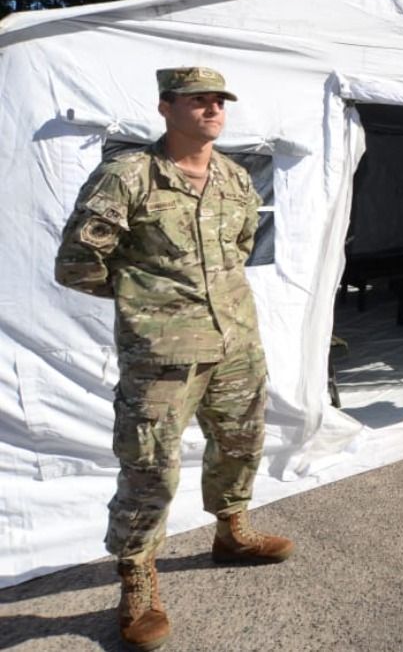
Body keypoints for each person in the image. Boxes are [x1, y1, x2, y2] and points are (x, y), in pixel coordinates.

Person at [55, 67, 293, 651]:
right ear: (166, 108)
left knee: (241, 443)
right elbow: (77, 262)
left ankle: (232, 533)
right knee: (149, 467)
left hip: (236, 342)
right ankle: (137, 576)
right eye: (198, 101)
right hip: (162, 355)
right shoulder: (128, 175)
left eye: (218, 101)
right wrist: (147, 302)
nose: (212, 110)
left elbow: (239, 248)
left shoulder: (236, 177)